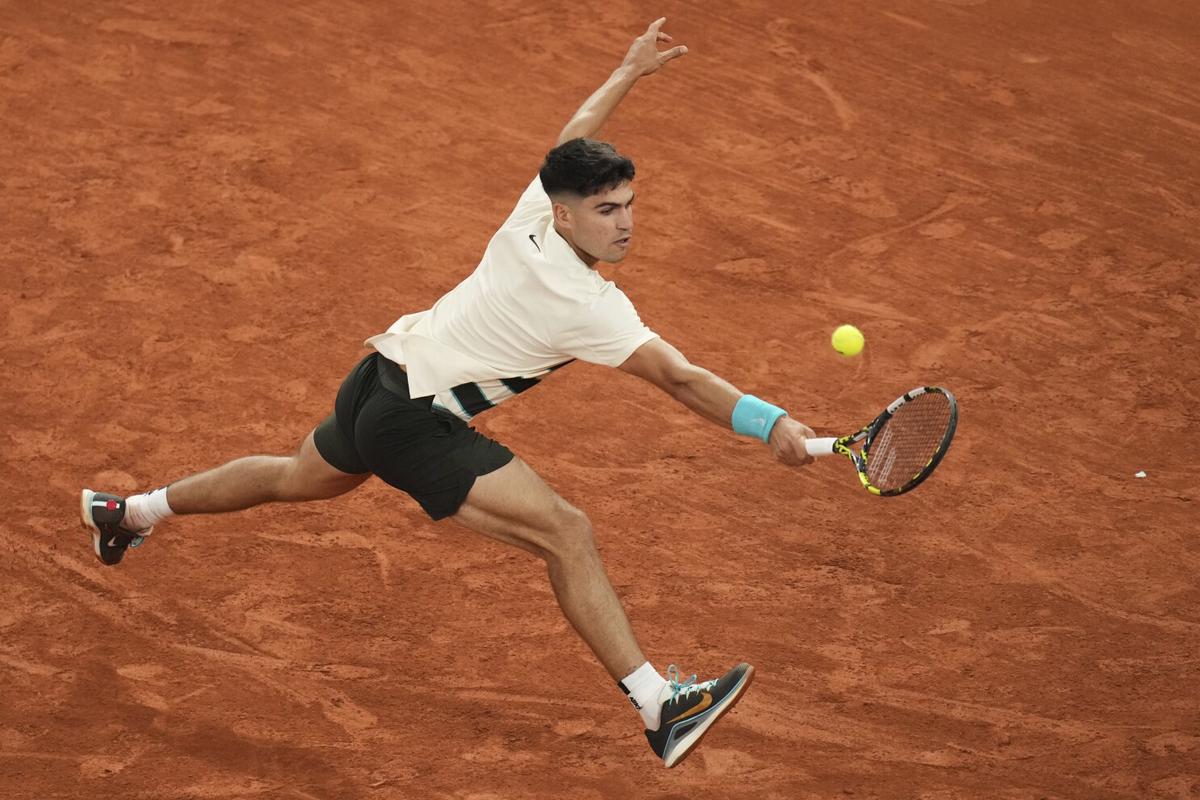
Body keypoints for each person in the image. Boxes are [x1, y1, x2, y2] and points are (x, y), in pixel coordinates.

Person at [79, 18, 817, 768]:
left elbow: (573, 136)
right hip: (414, 423)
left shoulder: (535, 213)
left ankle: (131, 512)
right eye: (607, 211)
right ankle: (661, 706)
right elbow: (680, 377)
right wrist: (772, 423)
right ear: (566, 213)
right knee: (566, 533)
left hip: (376, 379)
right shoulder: (589, 306)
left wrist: (627, 72)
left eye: (628, 204)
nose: (625, 224)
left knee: (295, 476)